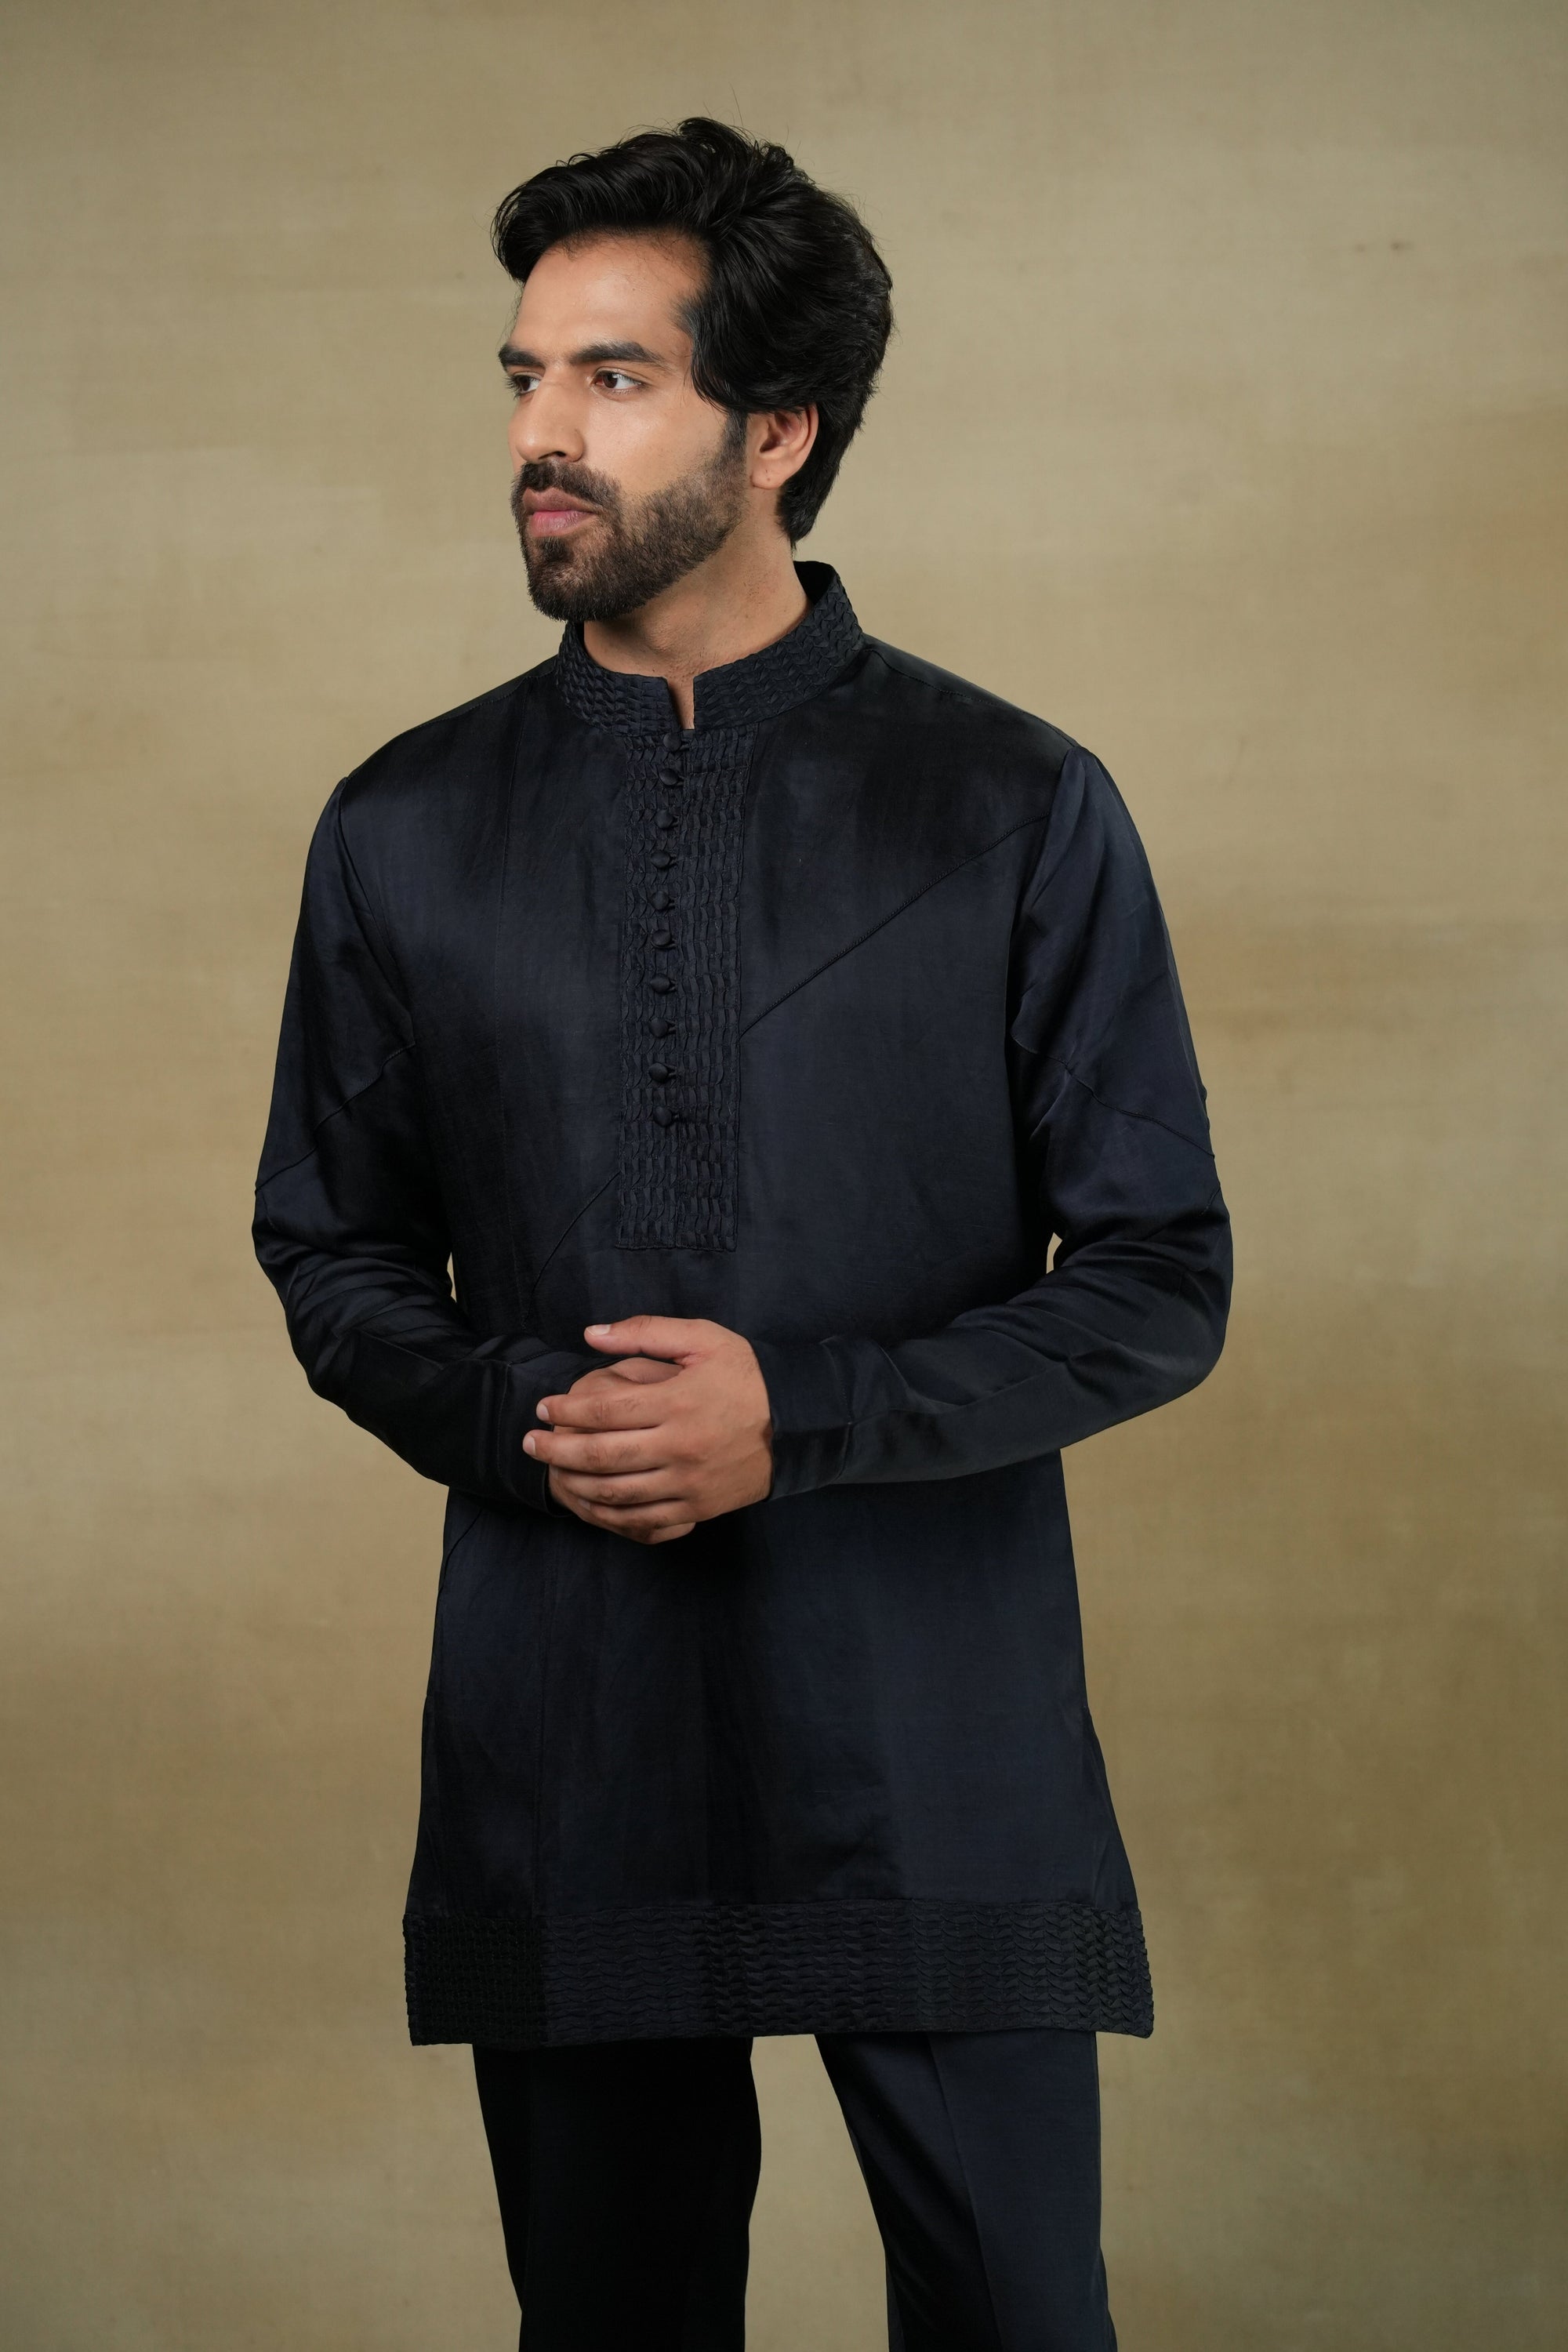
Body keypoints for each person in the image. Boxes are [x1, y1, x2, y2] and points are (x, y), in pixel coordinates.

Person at [254, 116, 1230, 2352]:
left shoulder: (1010, 802)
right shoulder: (406, 826)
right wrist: (534, 1419)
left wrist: (802, 1416)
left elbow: (1160, 1277)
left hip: (939, 1738)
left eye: (613, 380)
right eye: (527, 376)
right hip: (572, 1740)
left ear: (775, 430)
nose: (541, 434)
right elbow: (331, 1248)